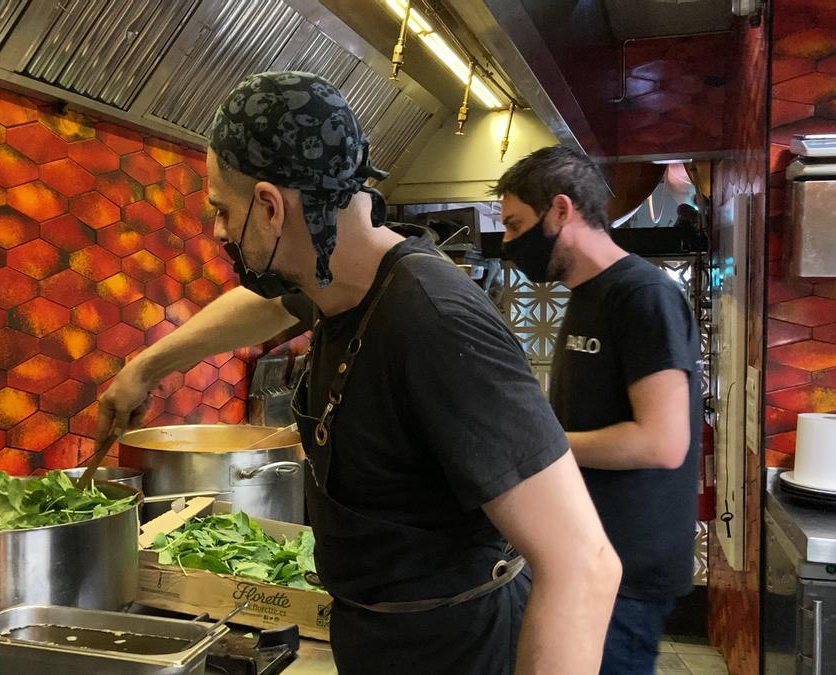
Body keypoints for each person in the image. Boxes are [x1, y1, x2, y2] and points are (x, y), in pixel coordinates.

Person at [98, 71, 621, 674]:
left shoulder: (434, 322)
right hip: (380, 643)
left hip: (461, 652)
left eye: (222, 209)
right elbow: (270, 304)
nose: (218, 231)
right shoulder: (337, 282)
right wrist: (145, 367)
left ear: (270, 206)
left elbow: (583, 563)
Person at [493, 146, 702, 675]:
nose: (508, 243)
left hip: (627, 569)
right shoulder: (587, 293)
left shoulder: (642, 294)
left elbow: (662, 441)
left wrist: (540, 445)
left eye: (516, 225)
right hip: (589, 555)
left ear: (561, 210)